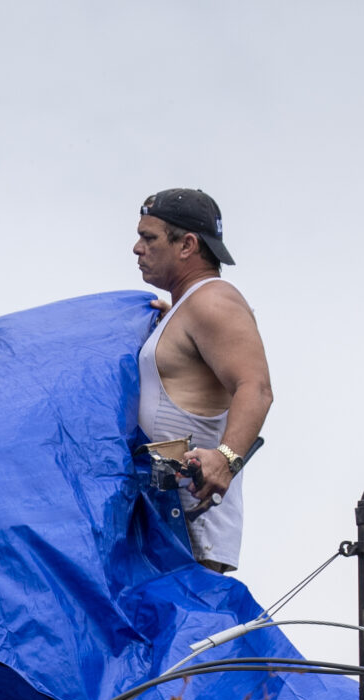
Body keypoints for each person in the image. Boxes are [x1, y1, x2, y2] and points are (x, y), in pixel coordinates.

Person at [132, 189, 272, 571]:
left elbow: (256, 387)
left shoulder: (213, 301)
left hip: (190, 532)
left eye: (149, 238)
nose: (137, 248)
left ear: (187, 245)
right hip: (165, 526)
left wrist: (225, 459)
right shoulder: (190, 307)